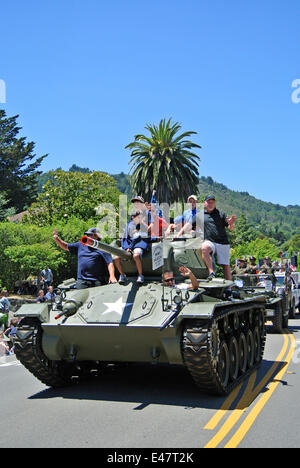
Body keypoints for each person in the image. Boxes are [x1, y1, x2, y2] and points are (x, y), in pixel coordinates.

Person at [176, 195, 236, 280]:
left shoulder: (221, 214)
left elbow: (230, 229)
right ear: (204, 203)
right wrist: (178, 234)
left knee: (226, 267)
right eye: (208, 202)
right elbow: (188, 225)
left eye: (212, 202)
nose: (210, 204)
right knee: (205, 248)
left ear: (214, 203)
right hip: (210, 241)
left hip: (223, 242)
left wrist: (231, 223)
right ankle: (211, 272)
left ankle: (229, 290)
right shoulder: (200, 215)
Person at [53, 226, 117, 289]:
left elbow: (110, 262)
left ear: (96, 236)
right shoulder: (80, 245)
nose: (87, 237)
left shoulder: (103, 248)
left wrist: (112, 276)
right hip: (82, 281)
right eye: (87, 235)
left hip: (97, 281)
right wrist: (57, 238)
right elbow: (66, 246)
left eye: (90, 235)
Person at [115, 211, 149, 284]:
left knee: (136, 256)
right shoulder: (128, 226)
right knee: (116, 258)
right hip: (129, 246)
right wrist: (126, 247)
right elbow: (124, 238)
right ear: (133, 217)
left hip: (139, 244)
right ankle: (122, 275)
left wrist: (130, 247)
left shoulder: (143, 226)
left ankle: (140, 275)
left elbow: (137, 238)